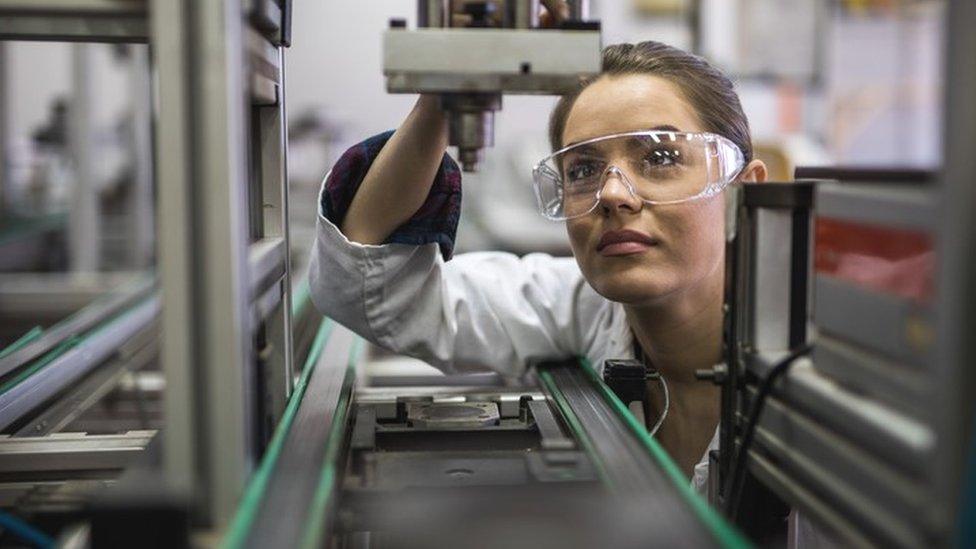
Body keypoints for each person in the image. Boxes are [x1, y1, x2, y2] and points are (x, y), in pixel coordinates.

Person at [309, 40, 766, 487]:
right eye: (584, 170)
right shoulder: (580, 307)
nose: (612, 194)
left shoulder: (820, 365)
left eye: (661, 157)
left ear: (745, 193)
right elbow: (367, 288)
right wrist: (444, 100)